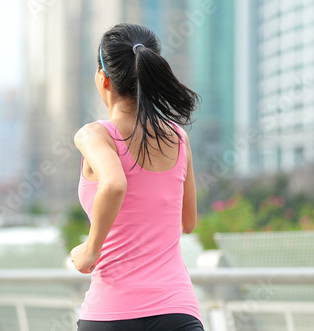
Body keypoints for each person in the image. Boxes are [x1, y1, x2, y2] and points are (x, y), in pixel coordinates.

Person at [70, 23, 204, 331]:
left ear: (103, 79)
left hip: (111, 314)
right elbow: (188, 222)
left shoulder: (95, 135)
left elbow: (115, 183)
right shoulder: (178, 138)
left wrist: (90, 248)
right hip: (177, 312)